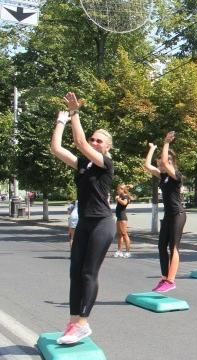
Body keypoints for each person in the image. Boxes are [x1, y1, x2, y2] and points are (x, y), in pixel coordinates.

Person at [49, 92, 115, 345]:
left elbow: (79, 143)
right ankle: (72, 321)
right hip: (84, 223)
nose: (94, 142)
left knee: (89, 273)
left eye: (99, 140)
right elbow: (56, 149)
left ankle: (84, 324)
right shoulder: (82, 165)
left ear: (106, 147)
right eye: (93, 139)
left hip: (101, 223)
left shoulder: (105, 163)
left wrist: (75, 113)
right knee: (74, 272)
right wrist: (60, 121)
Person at [143, 131, 185, 293]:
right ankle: (164, 278)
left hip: (178, 214)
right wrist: (153, 149)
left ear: (169, 160)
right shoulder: (162, 176)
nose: (159, 161)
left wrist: (166, 142)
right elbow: (147, 166)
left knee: (173, 247)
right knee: (161, 246)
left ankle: (171, 280)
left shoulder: (176, 175)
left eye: (162, 158)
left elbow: (167, 165)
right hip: (168, 215)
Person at [113, 184, 132, 258]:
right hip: (119, 218)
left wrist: (118, 199)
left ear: (122, 190)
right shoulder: (121, 196)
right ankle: (119, 251)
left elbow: (124, 203)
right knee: (119, 235)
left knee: (124, 234)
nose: (117, 191)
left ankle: (128, 252)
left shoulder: (125, 196)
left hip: (123, 218)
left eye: (118, 189)